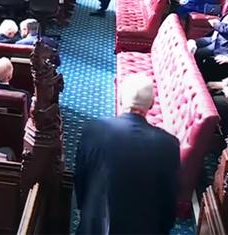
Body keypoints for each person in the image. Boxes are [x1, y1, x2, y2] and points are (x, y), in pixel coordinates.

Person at [75, 74, 179, 234]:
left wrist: (85, 213)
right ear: (151, 104)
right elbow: (169, 202)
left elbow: (81, 182)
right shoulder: (169, 145)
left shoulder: (93, 130)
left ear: (121, 99)